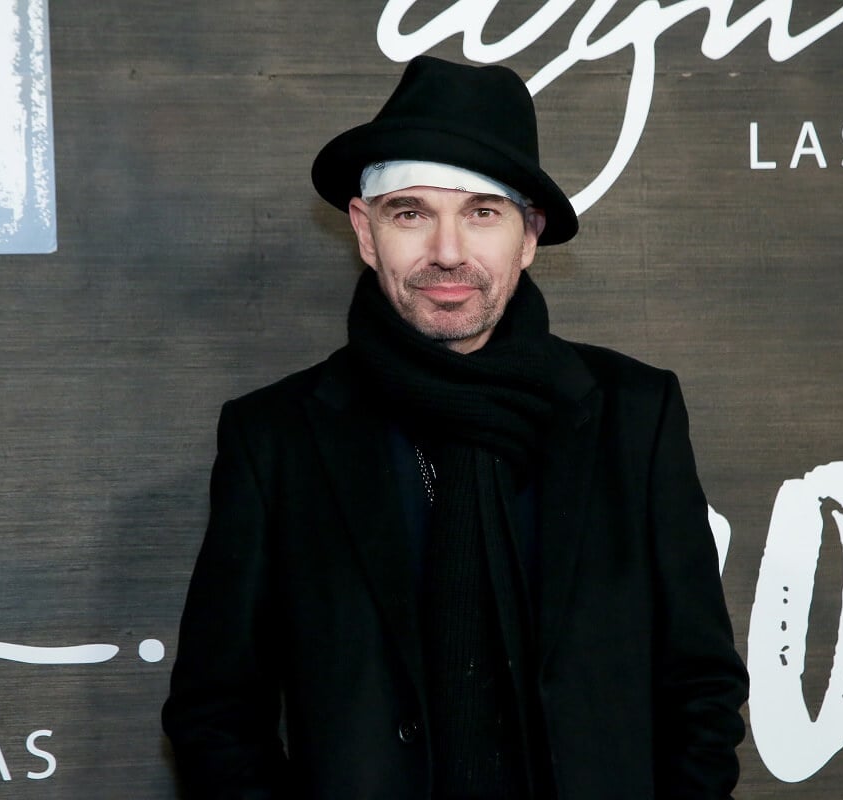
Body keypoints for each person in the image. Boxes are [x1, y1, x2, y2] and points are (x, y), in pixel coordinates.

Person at [162, 55, 748, 800]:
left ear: (527, 235)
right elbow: (217, 712)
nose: (447, 252)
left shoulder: (635, 412)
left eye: (482, 212)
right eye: (411, 212)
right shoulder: (275, 438)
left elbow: (700, 683)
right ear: (366, 231)